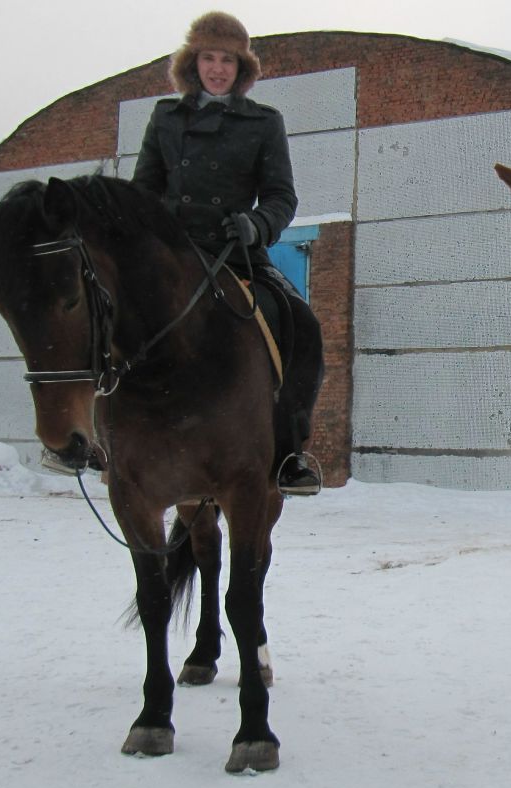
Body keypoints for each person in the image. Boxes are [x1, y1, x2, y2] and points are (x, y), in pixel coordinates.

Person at [132, 10, 323, 496]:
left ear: (242, 69)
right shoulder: (164, 118)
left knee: (301, 324)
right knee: (104, 310)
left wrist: (255, 224)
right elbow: (143, 191)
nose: (217, 69)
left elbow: (281, 197)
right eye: (209, 58)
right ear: (192, 63)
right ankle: (91, 436)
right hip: (172, 254)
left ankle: (290, 451)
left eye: (228, 61)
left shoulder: (264, 122)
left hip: (235, 254)